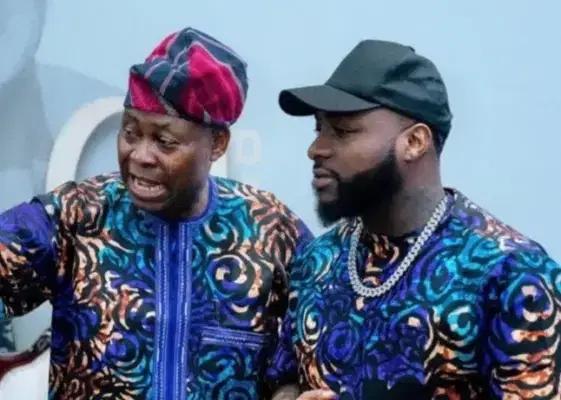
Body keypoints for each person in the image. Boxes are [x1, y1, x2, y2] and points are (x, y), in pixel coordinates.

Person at [0, 27, 313, 399]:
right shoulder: (77, 215)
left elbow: (302, 360)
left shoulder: (270, 230)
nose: (140, 156)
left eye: (165, 141)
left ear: (217, 144)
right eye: (130, 133)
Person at [268, 39, 561, 400]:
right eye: (319, 129)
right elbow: (286, 378)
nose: (316, 149)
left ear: (415, 142)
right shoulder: (318, 260)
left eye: (342, 131)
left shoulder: (510, 273)